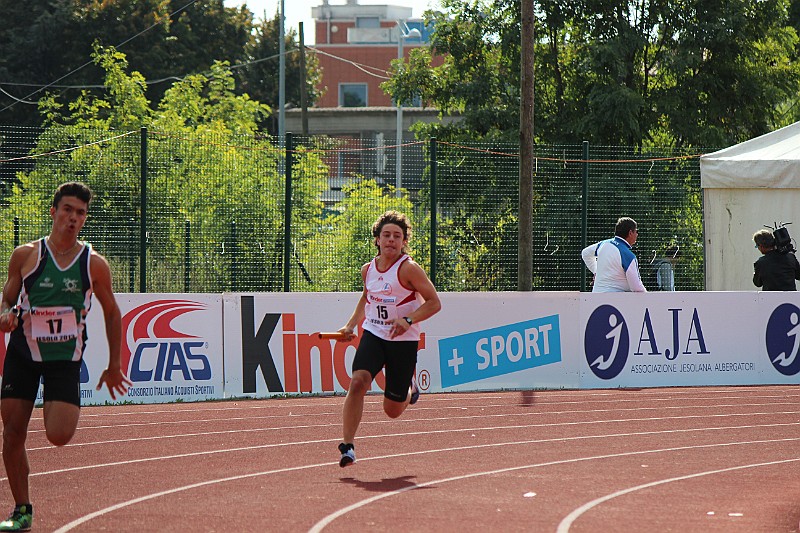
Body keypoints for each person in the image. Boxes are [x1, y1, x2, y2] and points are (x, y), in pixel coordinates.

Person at [0, 182, 131, 531]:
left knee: (59, 435)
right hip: (23, 353)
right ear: (53, 212)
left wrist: (114, 365)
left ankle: (55, 399)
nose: (73, 218)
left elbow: (113, 312)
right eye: (68, 210)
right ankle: (21, 509)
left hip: (64, 358)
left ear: (85, 219)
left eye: (80, 213)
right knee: (12, 433)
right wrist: (5, 314)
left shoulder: (93, 264)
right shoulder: (25, 256)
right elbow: (7, 298)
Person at [334, 210, 441, 467]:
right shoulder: (367, 269)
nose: (391, 240)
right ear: (377, 240)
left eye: (397, 236)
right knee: (358, 382)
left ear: (404, 241)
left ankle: (409, 389)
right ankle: (347, 446)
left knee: (391, 411)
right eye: (386, 235)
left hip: (402, 341)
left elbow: (435, 303)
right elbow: (365, 298)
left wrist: (408, 320)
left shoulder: (409, 269)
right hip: (374, 333)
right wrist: (350, 325)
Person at [581, 217, 647, 293]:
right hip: (616, 301)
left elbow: (585, 253)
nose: (637, 234)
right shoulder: (628, 256)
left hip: (596, 297)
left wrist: (596, 272)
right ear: (630, 233)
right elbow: (637, 288)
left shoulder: (603, 244)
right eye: (636, 231)